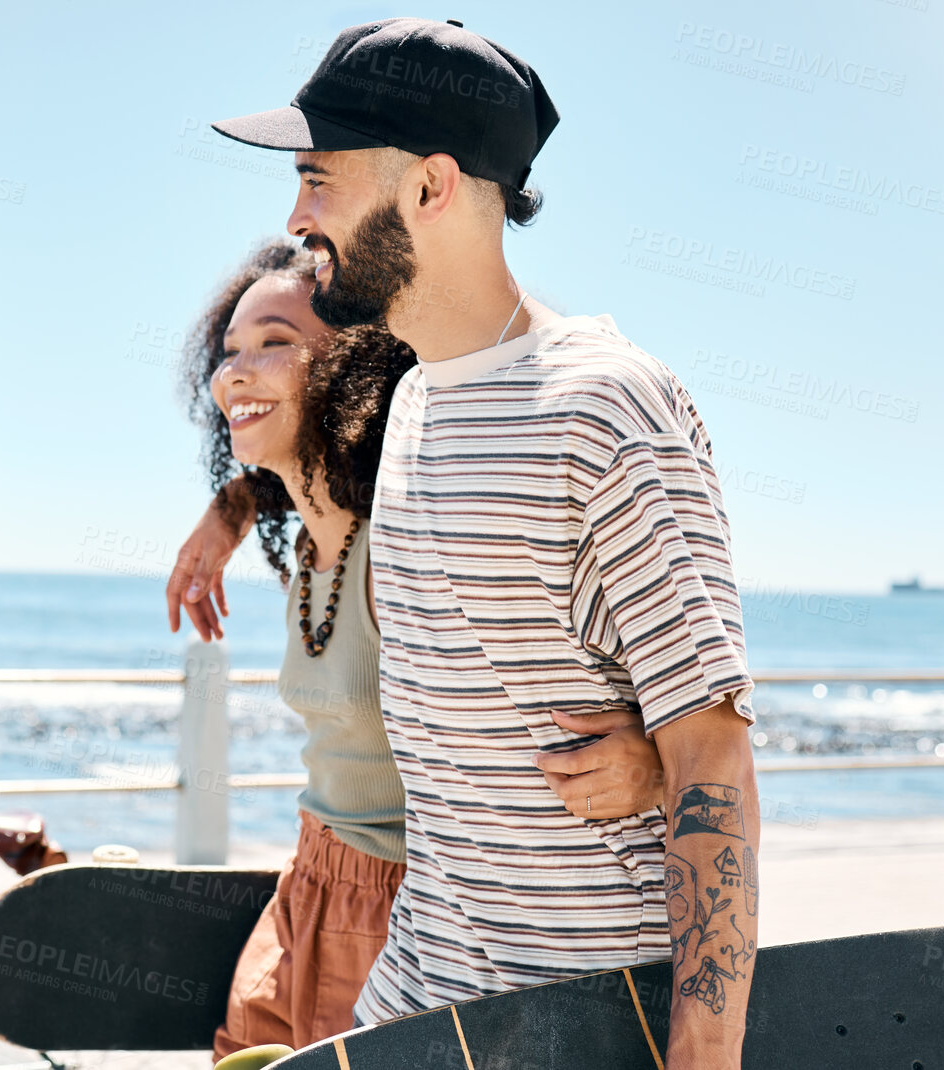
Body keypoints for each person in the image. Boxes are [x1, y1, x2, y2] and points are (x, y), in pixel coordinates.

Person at [201, 20, 760, 1066]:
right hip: (414, 1003)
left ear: (429, 188)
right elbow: (304, 477)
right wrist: (225, 513)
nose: (295, 215)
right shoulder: (409, 402)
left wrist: (702, 1055)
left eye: (319, 178)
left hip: (581, 1022)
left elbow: (715, 752)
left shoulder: (605, 407)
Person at [171, 240, 671, 1058]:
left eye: (273, 342)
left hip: (404, 908)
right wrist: (232, 505)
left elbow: (534, 687)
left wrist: (657, 760)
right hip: (307, 883)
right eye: (228, 352)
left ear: (357, 366)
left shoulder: (408, 541)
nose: (236, 370)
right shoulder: (307, 543)